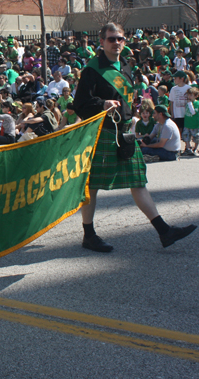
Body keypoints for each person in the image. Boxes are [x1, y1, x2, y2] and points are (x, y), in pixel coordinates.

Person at [73, 23, 196, 253]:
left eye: (120, 38)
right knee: (92, 186)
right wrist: (102, 104)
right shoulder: (92, 69)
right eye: (111, 39)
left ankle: (164, 231)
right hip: (102, 133)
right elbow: (79, 104)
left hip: (125, 133)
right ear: (101, 42)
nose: (116, 42)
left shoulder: (125, 68)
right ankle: (88, 235)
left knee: (138, 181)